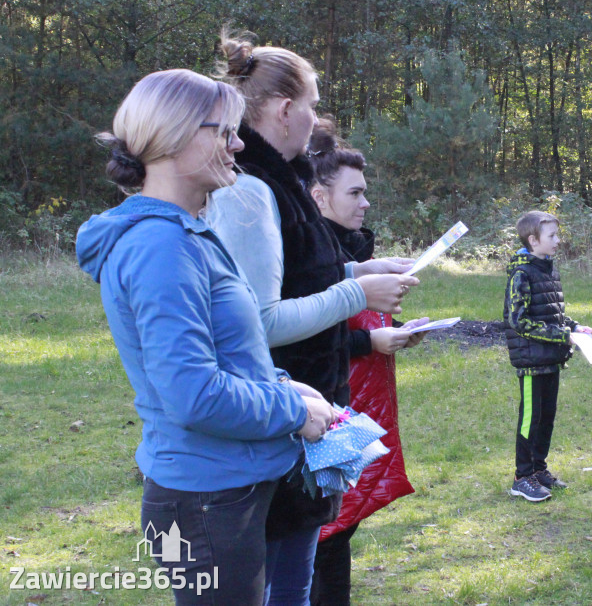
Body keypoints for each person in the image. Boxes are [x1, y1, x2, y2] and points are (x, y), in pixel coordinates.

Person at [75, 69, 339, 605]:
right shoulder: (161, 248)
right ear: (173, 135)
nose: (238, 143)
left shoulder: (188, 233)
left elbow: (227, 353)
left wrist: (286, 384)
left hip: (221, 493)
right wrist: (293, 411)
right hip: (206, 503)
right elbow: (194, 394)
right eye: (224, 131)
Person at [205, 32, 418, 605]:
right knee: (283, 586)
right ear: (283, 109)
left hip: (305, 420)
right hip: (276, 424)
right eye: (314, 105)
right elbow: (260, 320)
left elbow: (299, 276)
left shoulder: (282, 181)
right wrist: (359, 294)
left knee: (297, 576)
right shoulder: (252, 190)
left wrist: (360, 272)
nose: (317, 118)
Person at [306, 119, 422, 606]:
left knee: (340, 525)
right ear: (319, 197)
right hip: (327, 406)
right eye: (355, 193)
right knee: (325, 534)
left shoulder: (346, 249)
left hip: (359, 400)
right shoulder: (307, 255)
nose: (366, 202)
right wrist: (370, 341)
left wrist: (388, 327)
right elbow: (304, 333)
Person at [503, 211, 592, 503]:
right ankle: (522, 477)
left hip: (551, 358)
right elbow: (518, 321)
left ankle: (539, 469)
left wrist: (574, 327)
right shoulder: (521, 274)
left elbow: (552, 312)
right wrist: (562, 336)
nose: (558, 241)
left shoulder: (547, 269)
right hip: (532, 362)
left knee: (547, 418)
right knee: (530, 420)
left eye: (558, 235)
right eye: (552, 236)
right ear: (533, 240)